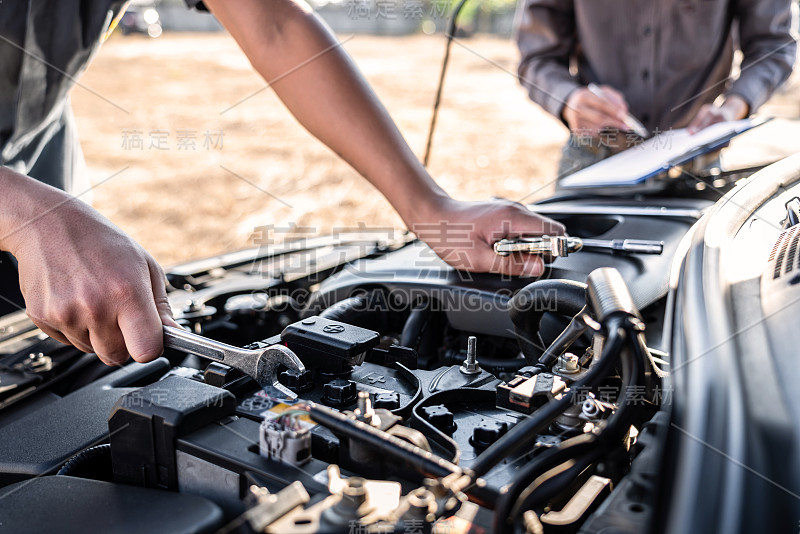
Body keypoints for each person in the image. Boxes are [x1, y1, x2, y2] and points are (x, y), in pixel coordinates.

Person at [0, 0, 564, 367]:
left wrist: (429, 207)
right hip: (31, 204)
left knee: (82, 351)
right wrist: (26, 217)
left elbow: (274, 26)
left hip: (38, 160)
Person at [515, 0, 797, 176]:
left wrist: (735, 107)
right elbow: (537, 57)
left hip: (696, 163)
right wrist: (568, 99)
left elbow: (773, 46)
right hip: (593, 157)